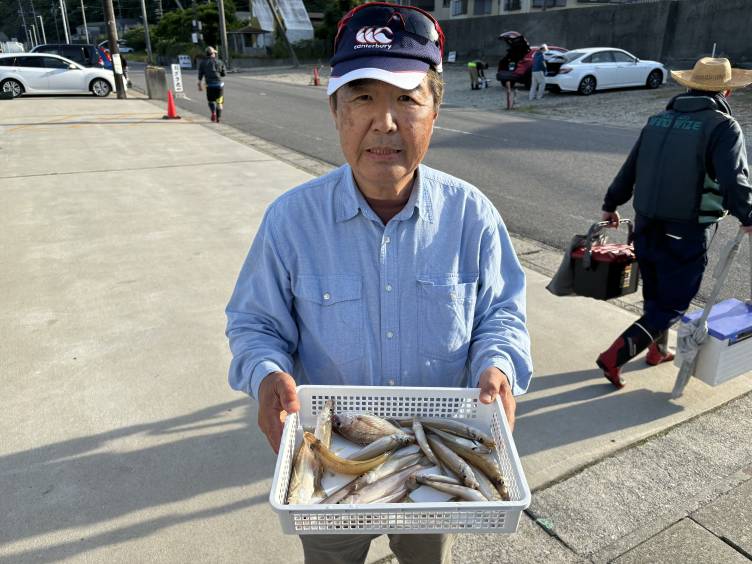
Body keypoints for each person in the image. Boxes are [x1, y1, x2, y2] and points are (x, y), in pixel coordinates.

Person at [225, 3, 533, 562]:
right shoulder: (291, 220)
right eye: (363, 97)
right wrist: (266, 372)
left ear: (435, 110)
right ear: (335, 110)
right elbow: (255, 324)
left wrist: (499, 365)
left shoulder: (473, 216)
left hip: (436, 457)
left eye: (407, 99)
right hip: (331, 459)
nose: (385, 123)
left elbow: (500, 315)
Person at [596, 57, 752, 388]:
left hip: (646, 222)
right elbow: (733, 180)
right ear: (726, 91)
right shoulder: (723, 126)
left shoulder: (657, 120)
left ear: (690, 85)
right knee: (674, 303)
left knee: (656, 294)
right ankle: (615, 355)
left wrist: (611, 204)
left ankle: (657, 351)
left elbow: (630, 168)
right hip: (686, 228)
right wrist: (748, 215)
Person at [197, 46, 226, 123]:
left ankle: (213, 112)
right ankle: (218, 118)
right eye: (214, 53)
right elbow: (224, 74)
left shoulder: (202, 63)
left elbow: (200, 75)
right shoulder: (219, 62)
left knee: (210, 101)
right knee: (219, 102)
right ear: (213, 53)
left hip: (209, 85)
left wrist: (199, 84)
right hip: (219, 85)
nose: (215, 54)